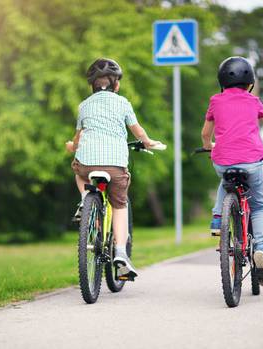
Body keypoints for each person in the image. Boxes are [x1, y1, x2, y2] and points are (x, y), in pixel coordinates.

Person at [200, 56, 263, 287]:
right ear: (249, 81)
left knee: (226, 178)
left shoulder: (215, 101)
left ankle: (217, 218)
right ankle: (261, 248)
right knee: (259, 206)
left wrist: (208, 146)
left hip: (222, 160)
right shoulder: (253, 101)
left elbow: (205, 134)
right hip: (252, 161)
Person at [65, 58, 160, 280]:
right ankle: (120, 253)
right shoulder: (123, 103)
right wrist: (148, 142)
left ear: (92, 85)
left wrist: (72, 146)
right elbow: (138, 131)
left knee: (78, 172)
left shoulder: (84, 105)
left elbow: (77, 139)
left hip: (87, 164)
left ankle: (85, 200)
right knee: (120, 204)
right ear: (116, 85)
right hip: (115, 165)